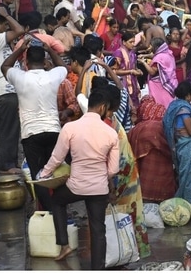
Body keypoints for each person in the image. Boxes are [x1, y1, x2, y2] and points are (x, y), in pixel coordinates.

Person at [37, 89, 119, 269]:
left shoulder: (70, 128)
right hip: (99, 189)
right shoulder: (111, 133)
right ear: (103, 108)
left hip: (76, 186)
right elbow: (113, 169)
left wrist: (43, 175)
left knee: (57, 201)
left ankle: (64, 244)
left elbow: (57, 158)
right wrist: (99, 177)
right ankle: (98, 268)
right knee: (98, 230)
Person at [1, 39, 67, 211]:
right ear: (44, 62)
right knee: (55, 173)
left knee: (38, 175)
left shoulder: (20, 77)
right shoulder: (53, 75)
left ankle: (49, 210)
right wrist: (51, 51)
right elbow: (63, 67)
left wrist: (19, 50)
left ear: (26, 63)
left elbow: (5, 66)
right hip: (53, 131)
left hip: (31, 135)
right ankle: (58, 209)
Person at [104, 83, 151, 259]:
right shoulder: (112, 119)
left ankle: (123, 253)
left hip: (120, 177)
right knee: (129, 214)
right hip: (127, 173)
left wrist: (110, 188)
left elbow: (107, 159)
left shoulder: (108, 123)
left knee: (120, 216)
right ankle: (129, 251)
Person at [0, 8, 25, 175]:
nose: (8, 28)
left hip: (11, 89)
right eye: (5, 25)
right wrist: (8, 15)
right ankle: (7, 165)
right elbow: (20, 30)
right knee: (8, 129)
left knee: (13, 128)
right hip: (4, 91)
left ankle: (11, 163)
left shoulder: (1, 42)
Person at [127, 94, 175, 203]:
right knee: (163, 167)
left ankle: (144, 198)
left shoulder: (141, 112)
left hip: (142, 136)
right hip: (161, 136)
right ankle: (163, 199)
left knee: (145, 169)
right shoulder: (161, 108)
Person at [138, 37, 177, 108]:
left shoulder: (159, 58)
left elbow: (152, 72)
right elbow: (154, 55)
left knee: (161, 105)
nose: (150, 48)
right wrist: (145, 55)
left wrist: (143, 62)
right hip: (172, 81)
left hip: (160, 86)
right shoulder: (168, 53)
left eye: (151, 46)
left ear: (156, 47)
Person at [113, 31, 143, 108]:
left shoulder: (132, 53)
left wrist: (138, 70)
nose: (133, 44)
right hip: (122, 82)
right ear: (124, 42)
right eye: (130, 42)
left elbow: (134, 67)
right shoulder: (118, 53)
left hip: (133, 82)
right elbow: (114, 71)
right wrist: (131, 71)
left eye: (134, 42)